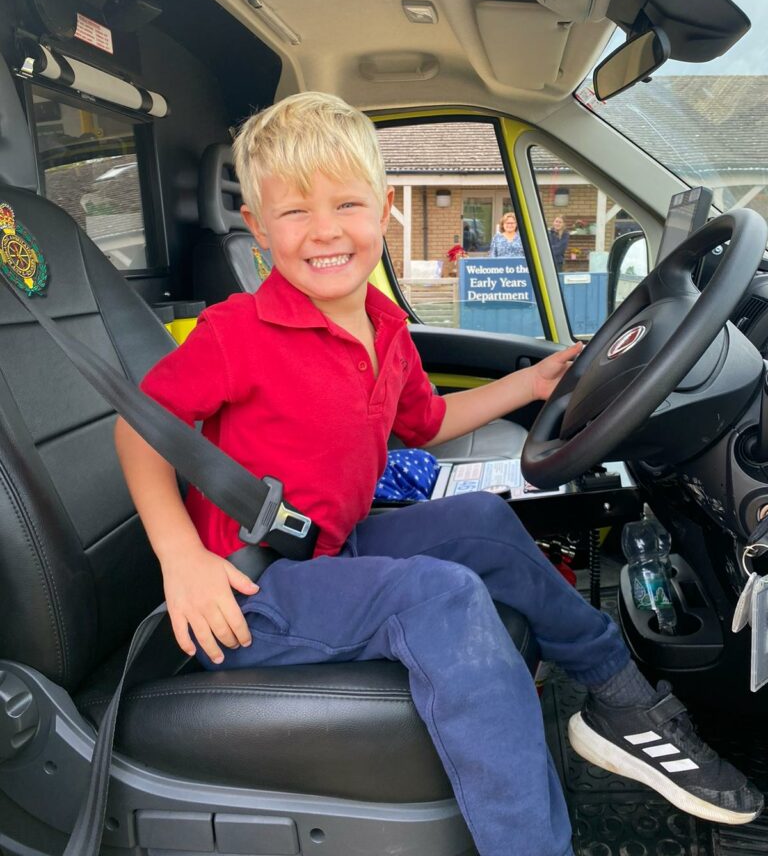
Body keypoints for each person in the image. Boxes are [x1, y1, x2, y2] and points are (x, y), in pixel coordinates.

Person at [114, 92, 763, 856]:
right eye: (293, 213)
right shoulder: (238, 333)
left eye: (346, 204)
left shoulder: (385, 327)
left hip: (335, 549)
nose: (324, 230)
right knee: (442, 594)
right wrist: (180, 558)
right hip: (248, 596)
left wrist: (528, 385)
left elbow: (423, 423)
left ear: (383, 209)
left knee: (485, 524)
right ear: (258, 229)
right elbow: (141, 429)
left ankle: (623, 704)